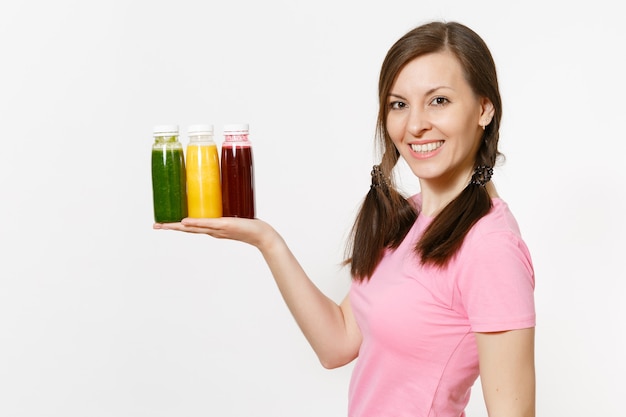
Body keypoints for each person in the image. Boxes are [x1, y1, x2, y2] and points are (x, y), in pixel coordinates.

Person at [154, 20, 536, 417]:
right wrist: (267, 241)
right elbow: (337, 343)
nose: (415, 124)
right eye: (398, 104)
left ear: (484, 108)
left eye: (438, 100)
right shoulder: (408, 214)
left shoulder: (490, 248)